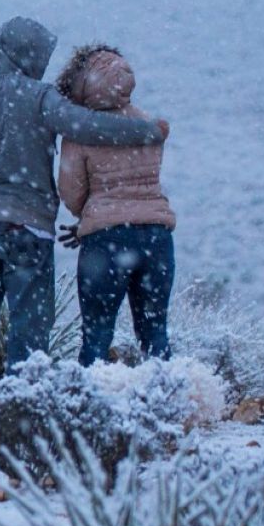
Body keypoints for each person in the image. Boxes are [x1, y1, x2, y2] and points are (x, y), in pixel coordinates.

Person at [0, 17, 168, 380]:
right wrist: (146, 131)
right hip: (28, 227)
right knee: (29, 328)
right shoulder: (37, 97)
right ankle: (23, 409)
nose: (43, 65)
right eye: (41, 56)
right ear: (26, 55)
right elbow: (84, 126)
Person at [55, 44, 177, 365]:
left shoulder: (79, 132)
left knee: (96, 334)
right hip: (157, 236)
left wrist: (91, 215)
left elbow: (70, 191)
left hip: (105, 242)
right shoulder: (149, 124)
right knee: (155, 333)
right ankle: (166, 402)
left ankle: (90, 407)